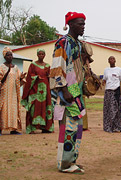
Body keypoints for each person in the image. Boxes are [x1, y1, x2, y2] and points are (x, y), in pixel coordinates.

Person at [50, 12, 87, 173]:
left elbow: (77, 67)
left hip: (75, 90)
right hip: (66, 91)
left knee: (77, 127)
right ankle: (64, 164)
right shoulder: (63, 42)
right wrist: (64, 90)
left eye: (84, 23)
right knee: (68, 127)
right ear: (71, 24)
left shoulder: (77, 43)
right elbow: (57, 66)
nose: (83, 26)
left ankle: (71, 159)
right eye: (80, 24)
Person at [21, 49, 54, 134]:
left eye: (42, 54)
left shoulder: (47, 66)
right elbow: (29, 77)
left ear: (45, 55)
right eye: (39, 54)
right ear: (37, 55)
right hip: (35, 90)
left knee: (45, 108)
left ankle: (46, 128)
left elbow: (49, 77)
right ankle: (31, 128)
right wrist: (36, 77)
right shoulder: (33, 65)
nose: (41, 55)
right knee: (33, 108)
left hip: (45, 91)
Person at [0, 47, 26, 135]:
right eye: (8, 55)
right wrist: (8, 71)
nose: (10, 57)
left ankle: (14, 129)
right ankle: (1, 129)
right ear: (4, 57)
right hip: (4, 93)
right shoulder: (1, 67)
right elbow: (1, 81)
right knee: (3, 109)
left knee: (14, 109)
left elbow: (19, 81)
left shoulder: (16, 68)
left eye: (11, 55)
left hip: (14, 93)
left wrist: (21, 78)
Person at [102, 56, 121, 133]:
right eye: (110, 59)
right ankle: (108, 127)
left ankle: (118, 127)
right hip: (108, 91)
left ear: (115, 60)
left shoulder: (119, 70)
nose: (111, 60)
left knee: (116, 109)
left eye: (113, 59)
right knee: (108, 109)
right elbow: (104, 79)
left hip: (116, 91)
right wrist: (102, 83)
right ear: (108, 61)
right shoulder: (106, 70)